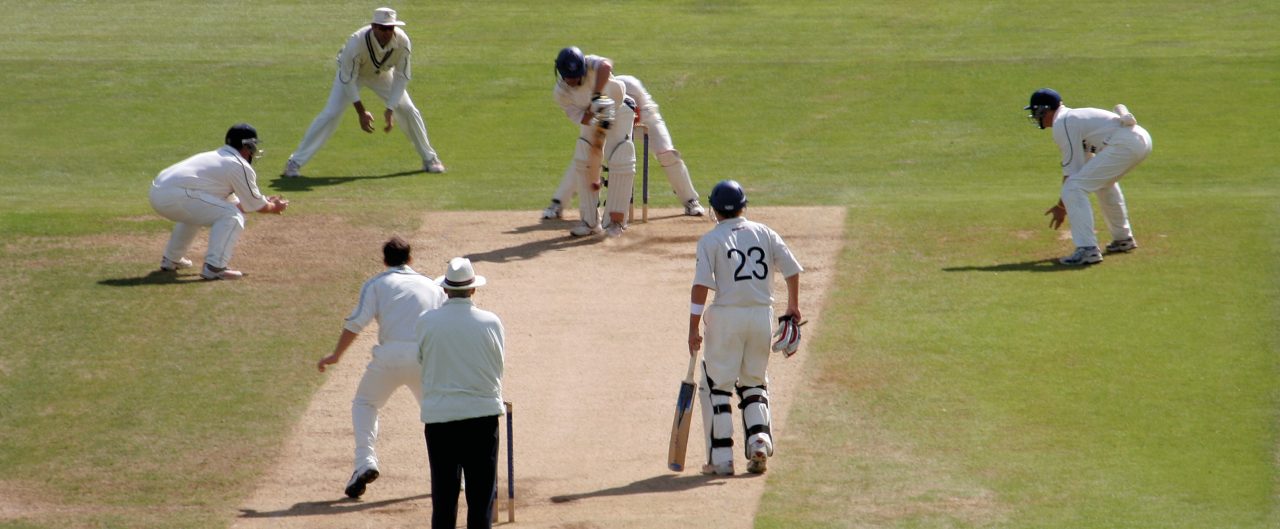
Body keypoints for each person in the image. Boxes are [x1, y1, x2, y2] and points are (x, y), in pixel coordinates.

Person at [687, 180, 802, 475]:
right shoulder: (764, 232)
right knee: (754, 382)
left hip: (726, 317)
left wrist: (693, 327)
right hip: (761, 316)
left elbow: (701, 287)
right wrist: (793, 306)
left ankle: (722, 460)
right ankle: (760, 441)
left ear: (713, 210)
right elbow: (791, 268)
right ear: (744, 206)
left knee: (718, 386)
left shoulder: (710, 240)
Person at [316, 236, 446, 499]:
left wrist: (336, 355)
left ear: (384, 260)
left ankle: (365, 462)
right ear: (410, 259)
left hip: (389, 357)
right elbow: (444, 324)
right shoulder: (432, 286)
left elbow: (356, 323)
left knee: (365, 403)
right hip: (425, 358)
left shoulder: (376, 284)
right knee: (438, 416)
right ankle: (456, 477)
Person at [282, 7, 445, 178]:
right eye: (382, 28)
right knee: (331, 113)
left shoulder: (403, 41)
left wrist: (390, 108)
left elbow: (401, 76)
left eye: (390, 28)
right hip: (353, 75)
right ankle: (294, 163)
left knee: (408, 110)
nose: (386, 32)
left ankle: (430, 159)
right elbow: (347, 80)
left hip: (382, 75)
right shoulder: (356, 42)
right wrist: (361, 112)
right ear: (373, 27)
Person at [416, 257, 506, 529]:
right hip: (482, 417)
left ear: (445, 290)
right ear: (473, 289)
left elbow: (422, 359)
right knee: (481, 500)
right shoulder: (491, 322)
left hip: (440, 419)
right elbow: (498, 366)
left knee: (444, 499)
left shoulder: (427, 322)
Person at [541, 74, 705, 220]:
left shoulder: (631, 84)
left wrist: (629, 118)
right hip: (614, 125)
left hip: (647, 120)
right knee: (585, 158)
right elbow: (595, 119)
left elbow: (643, 111)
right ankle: (557, 203)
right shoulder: (600, 95)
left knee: (667, 154)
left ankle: (690, 200)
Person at [1025, 88, 1153, 265]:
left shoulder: (1063, 123)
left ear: (1043, 110)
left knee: (1073, 188)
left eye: (1035, 111)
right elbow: (1085, 166)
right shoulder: (1072, 119)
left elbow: (1072, 174)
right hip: (1141, 140)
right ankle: (1123, 239)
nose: (1034, 115)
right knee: (1103, 184)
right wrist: (1063, 205)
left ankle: (1087, 250)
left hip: (1125, 144)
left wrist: (1061, 207)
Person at [148, 123, 288, 280]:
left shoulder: (216, 158)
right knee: (232, 216)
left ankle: (171, 259)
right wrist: (273, 206)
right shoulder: (239, 165)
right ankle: (215, 267)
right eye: (253, 147)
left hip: (157, 192)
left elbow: (236, 203)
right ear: (247, 146)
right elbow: (256, 206)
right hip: (177, 195)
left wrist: (263, 202)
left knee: (198, 213)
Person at [550, 46, 637, 238]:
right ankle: (589, 222)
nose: (572, 81)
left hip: (620, 108)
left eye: (576, 76)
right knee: (583, 159)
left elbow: (606, 65)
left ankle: (616, 222)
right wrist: (596, 113)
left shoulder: (589, 62)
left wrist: (598, 95)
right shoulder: (561, 92)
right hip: (592, 116)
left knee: (620, 159)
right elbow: (581, 118)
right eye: (568, 78)